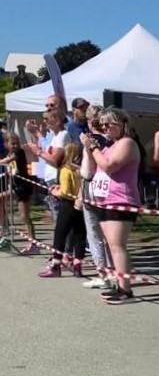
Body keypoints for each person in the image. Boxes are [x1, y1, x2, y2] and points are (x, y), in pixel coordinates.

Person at [81, 108, 141, 304]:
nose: (105, 128)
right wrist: (88, 150)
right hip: (105, 200)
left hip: (121, 200)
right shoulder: (109, 146)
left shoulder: (127, 143)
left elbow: (109, 166)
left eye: (109, 124)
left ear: (122, 124)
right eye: (102, 124)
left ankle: (126, 290)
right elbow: (90, 171)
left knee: (117, 246)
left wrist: (93, 148)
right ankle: (121, 284)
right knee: (112, 246)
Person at [38, 143, 87, 278]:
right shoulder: (80, 170)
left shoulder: (65, 169)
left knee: (60, 234)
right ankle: (77, 265)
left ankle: (56, 265)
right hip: (79, 204)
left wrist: (56, 192)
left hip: (67, 205)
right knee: (79, 234)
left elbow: (65, 192)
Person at [79, 105, 113, 289]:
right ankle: (112, 272)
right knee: (107, 235)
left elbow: (87, 170)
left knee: (94, 234)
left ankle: (103, 274)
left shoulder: (90, 140)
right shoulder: (112, 140)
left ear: (90, 121)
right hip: (107, 189)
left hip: (92, 187)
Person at [25, 110, 70, 224]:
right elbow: (46, 150)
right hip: (50, 178)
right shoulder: (55, 136)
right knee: (55, 212)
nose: (44, 121)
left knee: (59, 215)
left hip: (57, 179)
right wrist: (36, 133)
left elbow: (55, 160)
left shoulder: (63, 135)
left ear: (57, 120)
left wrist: (38, 152)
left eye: (47, 119)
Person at [0, 134, 37, 253]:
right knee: (2, 200)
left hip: (23, 187)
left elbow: (7, 161)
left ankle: (33, 243)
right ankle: (4, 230)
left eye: (17, 143)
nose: (15, 145)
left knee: (25, 216)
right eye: (12, 143)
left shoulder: (19, 152)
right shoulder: (8, 154)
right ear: (6, 144)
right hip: (16, 186)